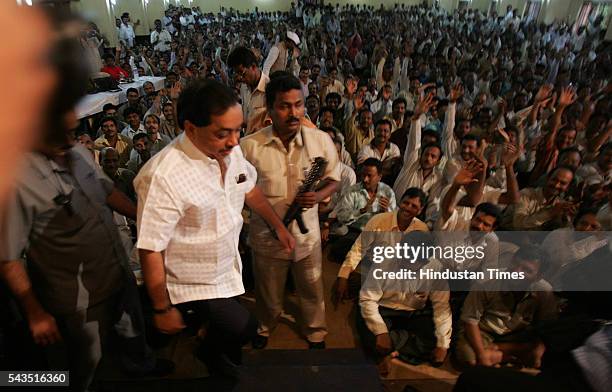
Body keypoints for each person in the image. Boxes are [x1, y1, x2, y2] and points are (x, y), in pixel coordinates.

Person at [0, 23, 171, 390]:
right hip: (76, 299)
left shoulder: (78, 153)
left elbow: (108, 193)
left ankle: (141, 366)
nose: (70, 126)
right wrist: (35, 312)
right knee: (85, 364)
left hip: (115, 271)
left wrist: (146, 217)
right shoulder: (16, 180)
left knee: (132, 335)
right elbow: (10, 258)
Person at [135, 79, 294, 376]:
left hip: (225, 264)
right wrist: (161, 308)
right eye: (223, 133)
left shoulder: (229, 151)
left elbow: (249, 190)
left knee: (232, 345)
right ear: (191, 128)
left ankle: (215, 356)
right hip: (190, 278)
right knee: (244, 326)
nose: (235, 141)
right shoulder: (163, 176)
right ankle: (200, 347)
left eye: (238, 130)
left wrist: (278, 226)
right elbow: (150, 248)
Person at [240, 72, 340, 349]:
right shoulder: (250, 147)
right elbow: (239, 190)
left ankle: (315, 331)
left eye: (298, 104)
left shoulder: (320, 141)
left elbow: (334, 179)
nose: (293, 112)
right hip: (266, 238)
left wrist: (317, 196)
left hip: (307, 240)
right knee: (268, 292)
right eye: (285, 106)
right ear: (270, 109)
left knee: (312, 288)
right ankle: (265, 326)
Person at [456, 245, 558, 368]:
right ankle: (508, 355)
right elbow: (470, 320)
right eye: (515, 264)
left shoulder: (544, 291)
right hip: (484, 331)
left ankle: (503, 351)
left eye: (527, 270)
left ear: (538, 276)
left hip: (518, 334)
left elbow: (547, 325)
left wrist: (538, 351)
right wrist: (482, 355)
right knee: (469, 359)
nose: (516, 272)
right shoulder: (486, 281)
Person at [328, 158, 396, 262]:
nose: (365, 179)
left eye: (369, 176)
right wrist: (361, 211)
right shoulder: (353, 190)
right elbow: (342, 217)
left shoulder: (388, 192)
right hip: (356, 233)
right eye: (363, 175)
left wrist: (386, 212)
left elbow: (393, 222)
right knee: (338, 249)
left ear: (379, 177)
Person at [227, 46, 270, 134]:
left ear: (253, 66)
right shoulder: (244, 87)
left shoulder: (269, 89)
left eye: (242, 73)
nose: (240, 78)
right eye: (237, 74)